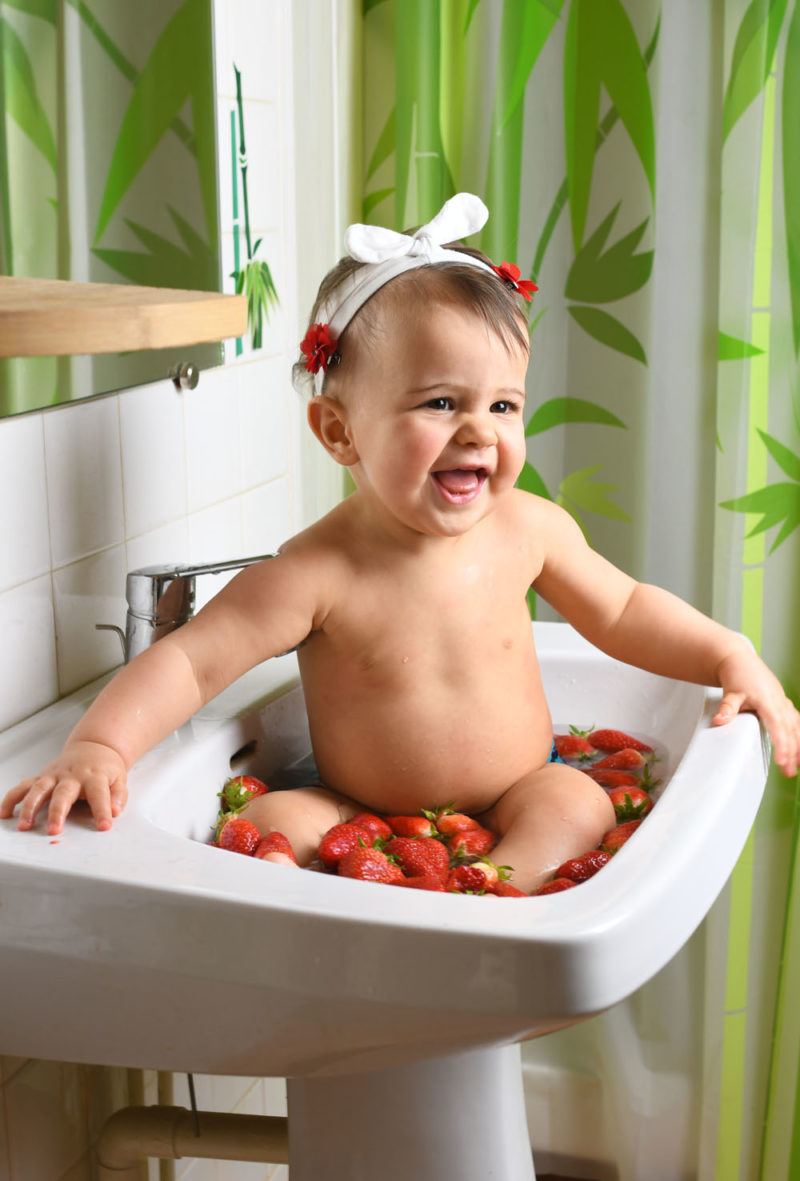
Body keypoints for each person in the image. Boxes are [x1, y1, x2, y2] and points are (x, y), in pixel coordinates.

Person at [3, 194, 799, 894]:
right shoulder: (315, 571)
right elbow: (190, 660)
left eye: (505, 405)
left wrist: (729, 655)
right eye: (442, 401)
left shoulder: (528, 528)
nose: (479, 433)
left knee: (579, 802)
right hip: (358, 808)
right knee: (276, 819)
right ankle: (347, 899)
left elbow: (623, 609)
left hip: (521, 786)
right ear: (340, 430)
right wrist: (100, 746)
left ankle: (494, 885)